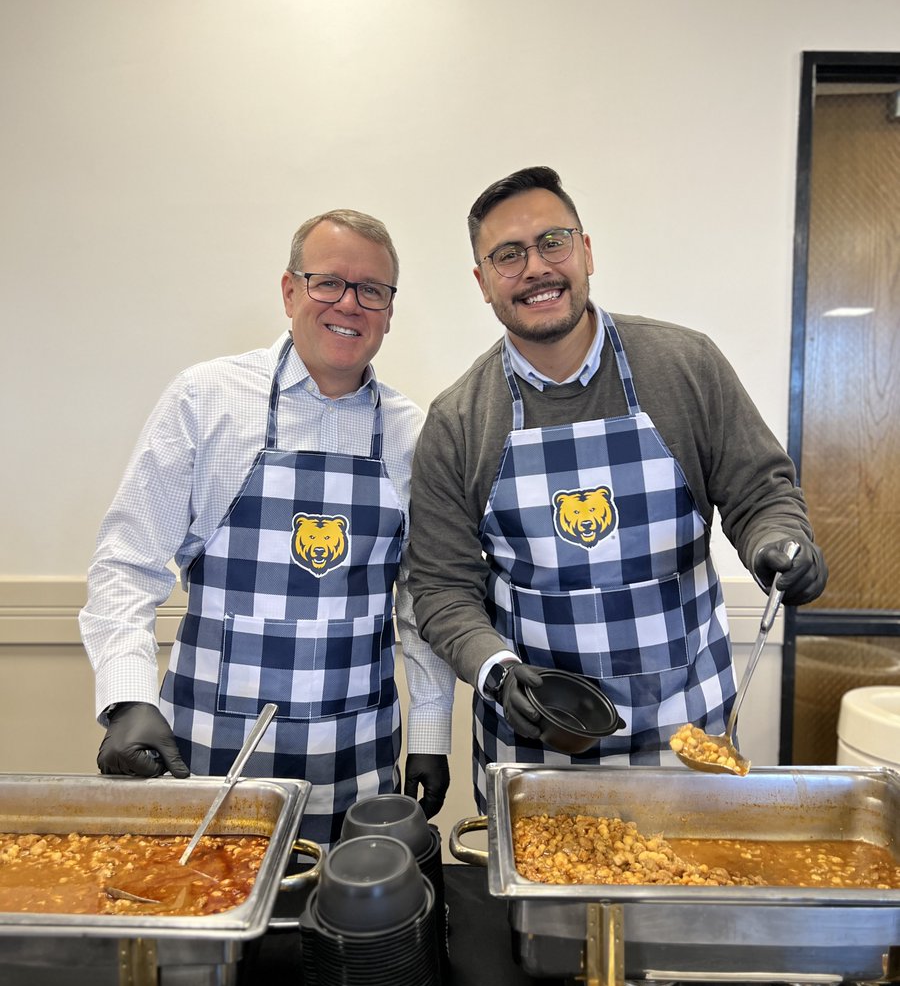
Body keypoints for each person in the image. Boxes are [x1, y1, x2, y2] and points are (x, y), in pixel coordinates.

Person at [407, 166, 828, 811]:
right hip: (537, 740)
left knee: (684, 904)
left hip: (686, 726)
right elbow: (441, 586)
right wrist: (495, 669)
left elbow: (759, 492)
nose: (536, 268)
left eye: (553, 242)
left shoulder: (684, 366)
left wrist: (779, 541)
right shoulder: (460, 419)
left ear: (586, 251)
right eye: (508, 255)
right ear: (483, 282)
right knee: (543, 917)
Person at [80, 209, 455, 846]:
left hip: (357, 762)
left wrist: (431, 734)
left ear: (389, 309)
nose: (350, 304)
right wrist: (127, 698)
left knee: (348, 939)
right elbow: (126, 562)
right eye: (328, 282)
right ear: (289, 291)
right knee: (211, 928)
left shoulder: (409, 432)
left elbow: (418, 599)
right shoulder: (207, 398)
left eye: (372, 290)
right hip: (208, 755)